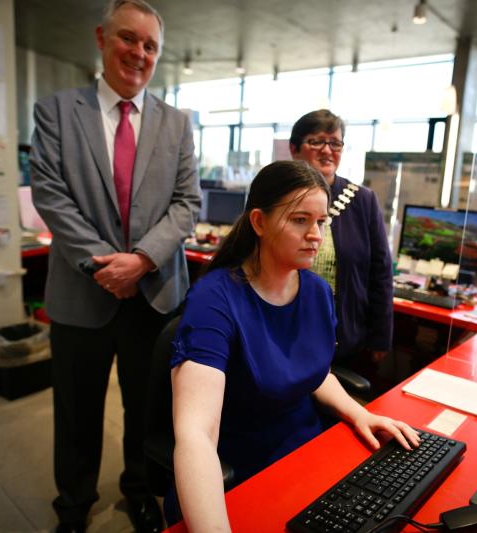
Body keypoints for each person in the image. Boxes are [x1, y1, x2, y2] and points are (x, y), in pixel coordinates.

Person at [169, 160, 419, 532]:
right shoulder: (215, 299)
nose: (316, 234)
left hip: (309, 456)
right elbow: (196, 434)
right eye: (300, 220)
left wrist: (359, 413)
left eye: (321, 222)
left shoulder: (316, 291)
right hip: (244, 474)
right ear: (259, 222)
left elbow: (314, 372)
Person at [29, 1, 200, 531]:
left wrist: (142, 259)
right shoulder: (56, 111)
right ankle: (74, 505)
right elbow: (50, 195)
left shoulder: (177, 123)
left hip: (154, 295)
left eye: (150, 46)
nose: (139, 53)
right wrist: (105, 266)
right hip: (83, 293)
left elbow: (187, 203)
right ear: (102, 38)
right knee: (76, 412)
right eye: (129, 39)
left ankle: (142, 492)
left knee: (147, 410)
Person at [289, 110, 394, 371]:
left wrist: (381, 336)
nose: (327, 151)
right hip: (287, 331)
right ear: (294, 149)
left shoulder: (362, 200)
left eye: (335, 143)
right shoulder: (280, 195)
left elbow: (381, 272)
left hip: (345, 337)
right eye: (316, 142)